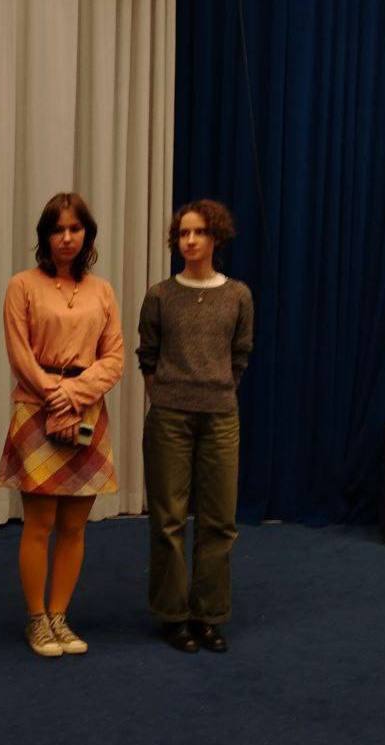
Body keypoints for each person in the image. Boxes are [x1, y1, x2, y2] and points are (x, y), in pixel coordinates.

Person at [0, 192, 125, 657]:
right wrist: (57, 397)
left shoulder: (102, 291)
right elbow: (20, 354)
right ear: (45, 236)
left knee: (74, 525)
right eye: (57, 229)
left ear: (87, 235)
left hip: (86, 409)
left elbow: (114, 357)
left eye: (75, 229)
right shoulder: (22, 285)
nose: (66, 237)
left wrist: (74, 396)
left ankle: (59, 616)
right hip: (37, 408)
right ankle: (36, 619)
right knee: (39, 522)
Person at [136, 199, 253, 654]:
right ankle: (172, 615)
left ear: (215, 238)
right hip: (169, 417)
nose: (190, 240)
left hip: (221, 416)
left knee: (219, 520)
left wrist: (218, 389)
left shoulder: (238, 295)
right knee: (168, 519)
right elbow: (148, 355)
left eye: (199, 232)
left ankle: (209, 615)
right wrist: (166, 395)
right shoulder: (160, 295)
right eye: (183, 233)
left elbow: (241, 353)